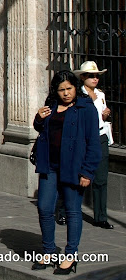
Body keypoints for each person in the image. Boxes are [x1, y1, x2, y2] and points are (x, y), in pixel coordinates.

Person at [32, 69, 101, 273]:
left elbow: (93, 143)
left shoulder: (85, 108)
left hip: (74, 168)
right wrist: (38, 118)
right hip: (49, 166)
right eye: (61, 90)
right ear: (56, 90)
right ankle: (49, 251)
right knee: (44, 209)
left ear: (75, 87)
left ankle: (70, 256)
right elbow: (41, 130)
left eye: (69, 88)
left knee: (72, 211)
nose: (65, 93)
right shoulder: (52, 106)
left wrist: (88, 172)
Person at [75, 61, 114, 230]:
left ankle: (100, 217)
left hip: (100, 136)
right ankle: (67, 211)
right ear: (83, 77)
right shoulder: (78, 95)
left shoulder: (100, 94)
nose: (95, 79)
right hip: (84, 139)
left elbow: (99, 118)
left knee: (101, 179)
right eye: (91, 76)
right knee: (78, 176)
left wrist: (104, 115)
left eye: (97, 76)